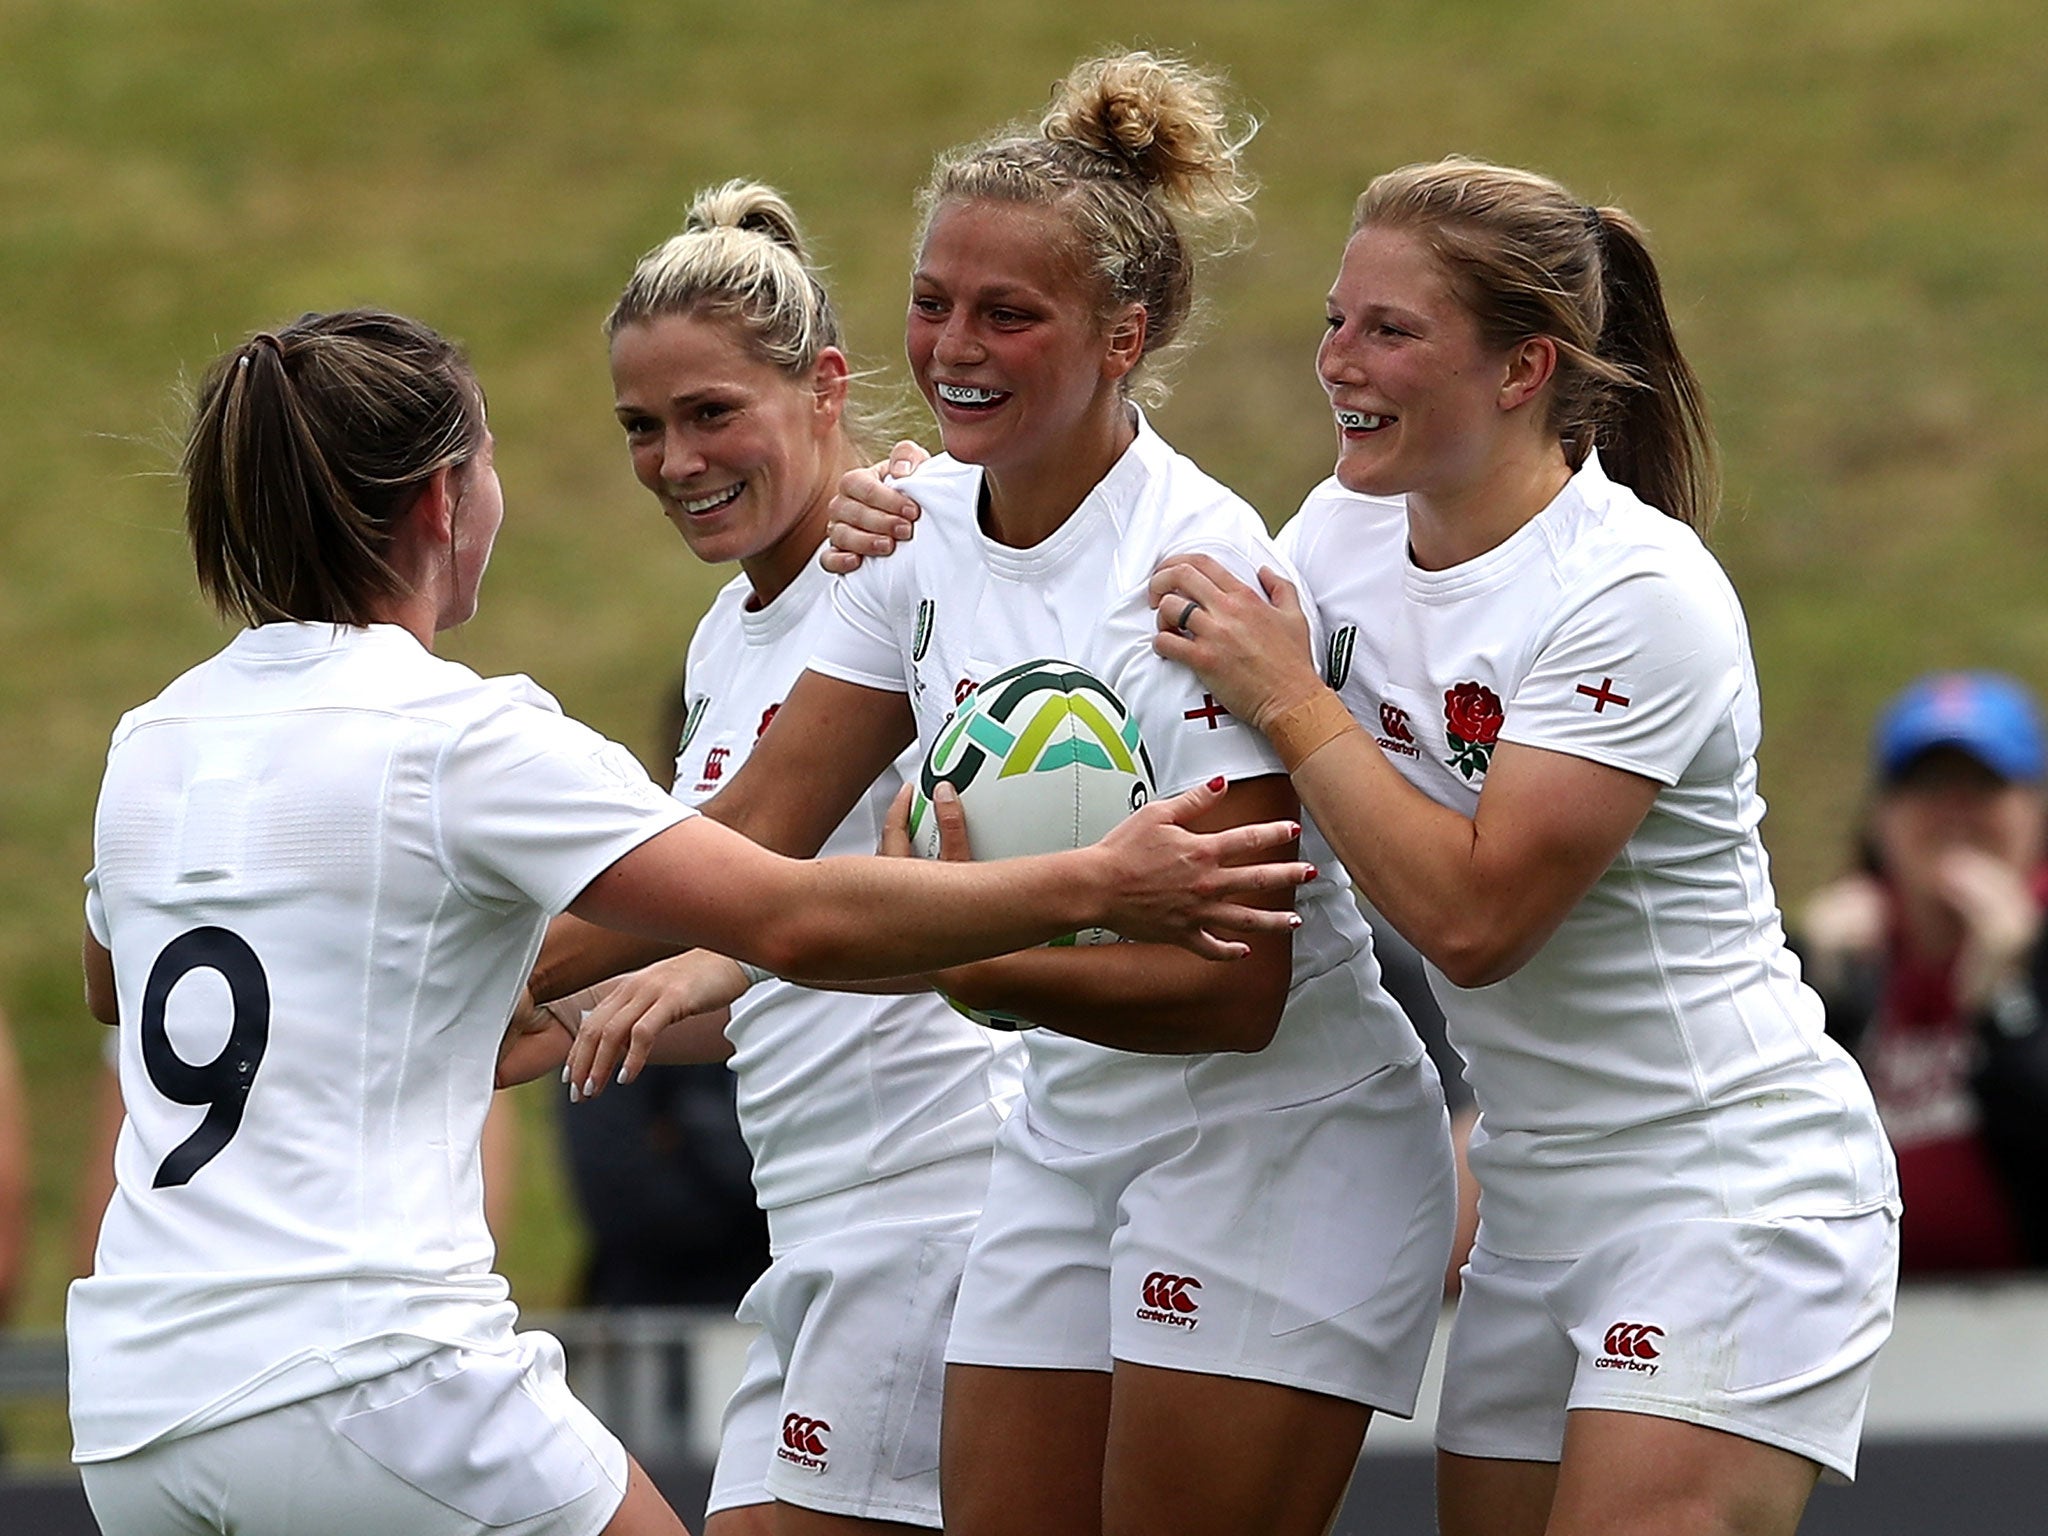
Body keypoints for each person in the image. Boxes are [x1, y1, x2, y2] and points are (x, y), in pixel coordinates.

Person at [66, 308, 1309, 1536]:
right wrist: (1096, 881)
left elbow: (117, 986)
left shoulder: (152, 743)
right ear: (445, 501)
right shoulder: (459, 734)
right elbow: (793, 914)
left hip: (136, 1409)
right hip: (366, 1378)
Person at [833, 155, 1902, 1536]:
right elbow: (1112, 617)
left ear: (1523, 371)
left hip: (1730, 1186)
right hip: (1529, 1198)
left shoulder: (1637, 593)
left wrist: (1293, 695)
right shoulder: (1337, 535)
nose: (1338, 360)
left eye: (1390, 331)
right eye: (1337, 320)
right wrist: (924, 496)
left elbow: (1473, 924)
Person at [551, 52, 1455, 1536]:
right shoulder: (903, 535)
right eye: (930, 301)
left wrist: (965, 956)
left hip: (1277, 1138)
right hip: (1070, 1133)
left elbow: (1234, 992)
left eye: (1007, 313)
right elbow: (738, 845)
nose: (952, 345)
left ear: (1126, 334)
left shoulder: (1195, 571)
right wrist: (459, 971)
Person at [569, 179, 1027, 1534]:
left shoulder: (919, 546)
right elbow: (735, 918)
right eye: (642, 429)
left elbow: (779, 857)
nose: (674, 461)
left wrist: (508, 961)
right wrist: (516, 1016)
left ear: (827, 388)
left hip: (938, 1193)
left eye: (713, 415)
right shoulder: (726, 633)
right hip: (819, 1217)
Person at [1799, 670, 2048, 1273]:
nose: (1954, 812)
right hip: (1871, 1332)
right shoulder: (1834, 958)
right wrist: (1819, 999)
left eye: (1983, 787)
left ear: (2035, 809)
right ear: (1882, 817)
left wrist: (2004, 1004)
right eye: (1929, 786)